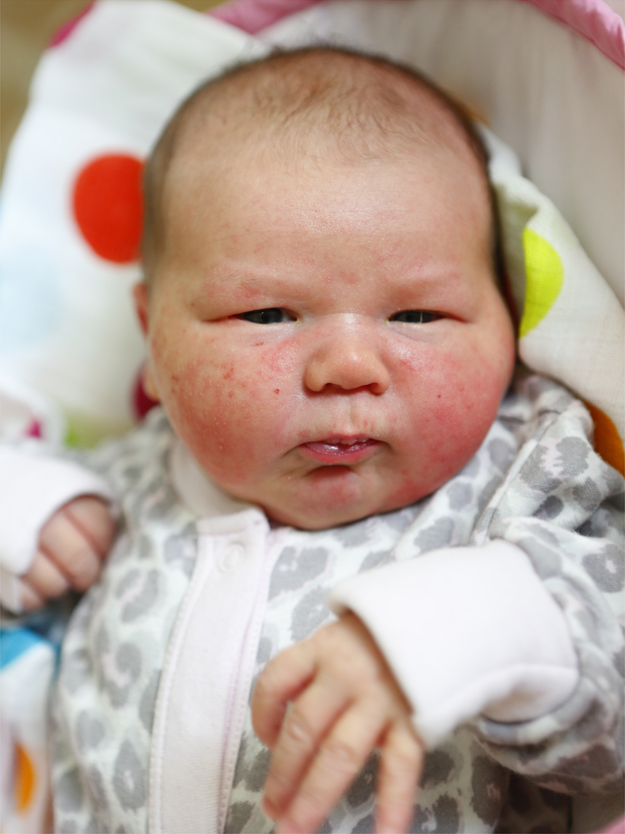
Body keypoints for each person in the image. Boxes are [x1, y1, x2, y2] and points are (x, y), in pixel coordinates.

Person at [2, 47, 623, 834]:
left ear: (506, 315)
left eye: (416, 315)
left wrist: (450, 629)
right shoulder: (126, 483)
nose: (348, 366)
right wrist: (24, 510)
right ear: (152, 340)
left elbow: (607, 644)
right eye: (267, 315)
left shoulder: (525, 473)